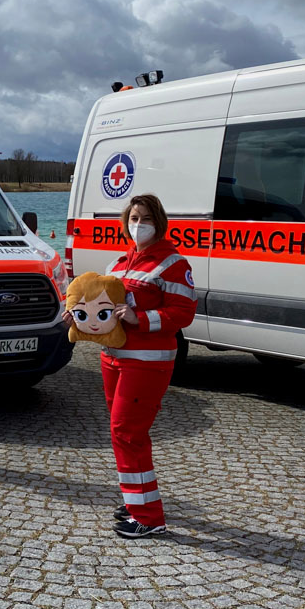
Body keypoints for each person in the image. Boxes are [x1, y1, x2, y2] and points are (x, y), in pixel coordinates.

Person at [68, 193, 196, 538]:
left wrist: (141, 318)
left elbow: (183, 313)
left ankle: (149, 518)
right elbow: (103, 313)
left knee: (128, 433)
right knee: (121, 432)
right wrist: (80, 318)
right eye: (133, 218)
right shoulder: (118, 264)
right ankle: (135, 500)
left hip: (148, 362)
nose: (138, 225)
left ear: (159, 222)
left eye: (145, 218)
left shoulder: (173, 264)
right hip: (114, 359)